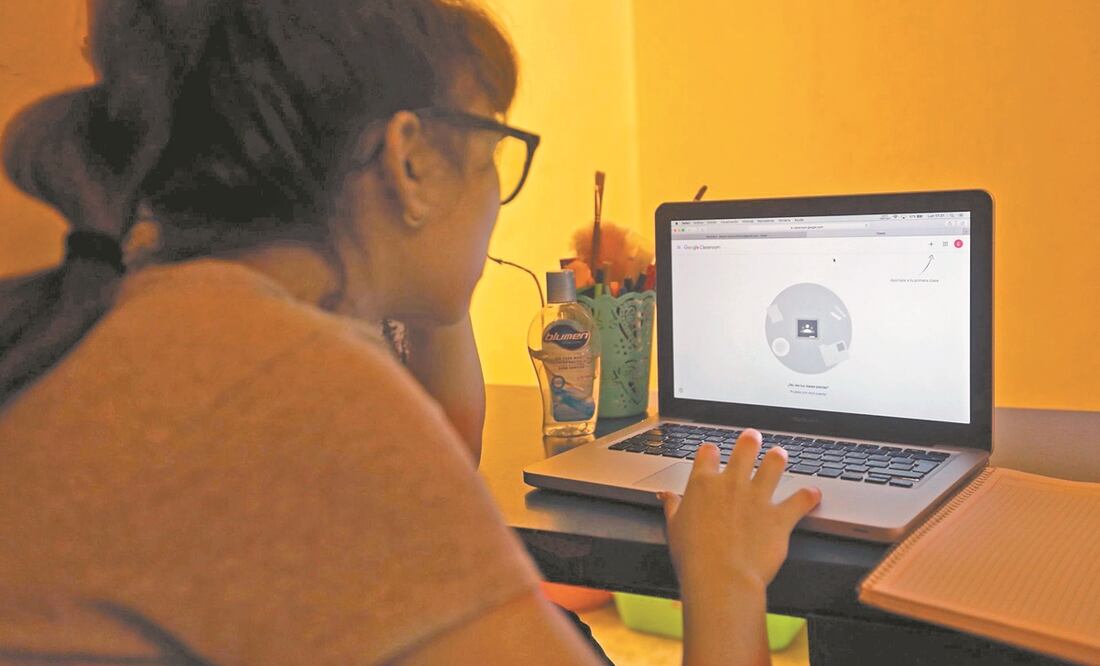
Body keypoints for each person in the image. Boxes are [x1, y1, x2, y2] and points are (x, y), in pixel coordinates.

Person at [0, 1, 821, 664]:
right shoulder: (296, 388)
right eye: (498, 141)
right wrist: (727, 580)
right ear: (410, 160)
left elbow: (437, 461)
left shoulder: (141, 317)